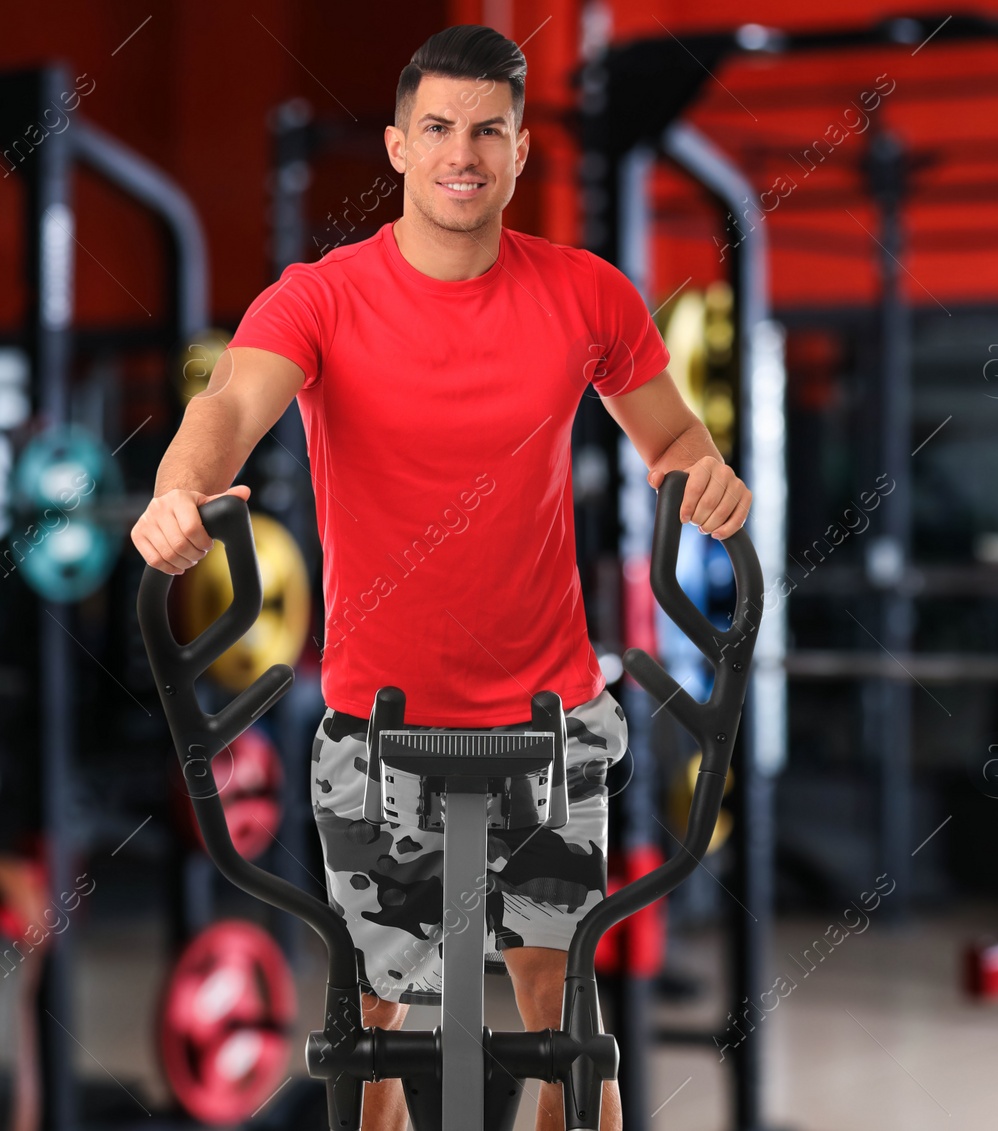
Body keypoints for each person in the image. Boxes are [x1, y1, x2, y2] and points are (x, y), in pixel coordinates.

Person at [131, 24, 750, 1131]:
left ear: (517, 154)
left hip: (552, 713)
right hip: (379, 722)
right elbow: (223, 410)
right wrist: (181, 492)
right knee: (372, 1025)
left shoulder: (586, 296)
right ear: (399, 146)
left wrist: (705, 480)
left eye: (488, 130)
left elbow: (674, 443)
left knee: (568, 1023)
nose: (463, 152)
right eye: (438, 129)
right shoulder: (317, 298)